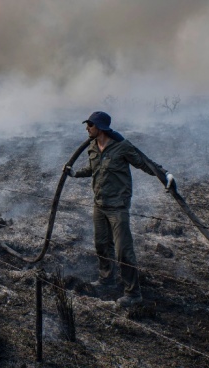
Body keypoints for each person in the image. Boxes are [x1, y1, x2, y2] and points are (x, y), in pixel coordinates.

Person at [64, 111, 174, 308]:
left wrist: (164, 175)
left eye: (90, 125)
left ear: (100, 127)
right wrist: (74, 173)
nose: (86, 128)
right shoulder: (92, 146)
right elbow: (92, 169)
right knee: (101, 244)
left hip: (118, 207)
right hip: (99, 204)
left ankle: (133, 294)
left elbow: (143, 162)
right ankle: (107, 280)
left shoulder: (122, 147)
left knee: (124, 250)